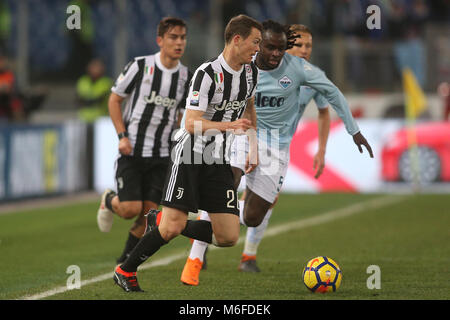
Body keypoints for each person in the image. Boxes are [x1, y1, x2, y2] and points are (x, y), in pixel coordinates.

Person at [179, 20, 373, 285]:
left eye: (281, 49)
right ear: (258, 44)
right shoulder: (243, 66)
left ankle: (202, 224)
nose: (275, 54)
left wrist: (353, 131)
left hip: (277, 146)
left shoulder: (301, 71)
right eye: (269, 47)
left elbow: (333, 94)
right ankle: (195, 259)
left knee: (252, 217)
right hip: (243, 133)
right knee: (225, 188)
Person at [113, 14, 262, 292]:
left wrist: (252, 145)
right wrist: (230, 125)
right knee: (170, 229)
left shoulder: (252, 73)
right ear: (237, 39)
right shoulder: (206, 74)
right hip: (190, 154)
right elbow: (191, 123)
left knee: (228, 236)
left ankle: (159, 219)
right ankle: (126, 270)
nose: (258, 49)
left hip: (218, 157)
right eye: (255, 42)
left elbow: (249, 108)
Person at [96, 17, 192, 266]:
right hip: (133, 151)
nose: (179, 42)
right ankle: (109, 199)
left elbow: (180, 114)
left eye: (182, 37)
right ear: (160, 40)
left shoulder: (186, 77)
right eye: (173, 37)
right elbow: (114, 99)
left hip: (161, 156)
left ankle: (125, 260)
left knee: (149, 216)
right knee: (129, 210)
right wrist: (122, 136)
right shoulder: (140, 66)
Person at [76, 58, 113, 123]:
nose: (95, 70)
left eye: (97, 67)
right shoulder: (83, 81)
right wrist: (89, 100)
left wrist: (87, 99)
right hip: (84, 118)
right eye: (93, 67)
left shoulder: (106, 82)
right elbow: (78, 99)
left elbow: (99, 100)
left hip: (101, 118)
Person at [0, 54, 23, 122]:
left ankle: (17, 126)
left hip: (7, 99)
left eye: (2, 62)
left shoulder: (9, 75)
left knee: (16, 104)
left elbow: (8, 89)